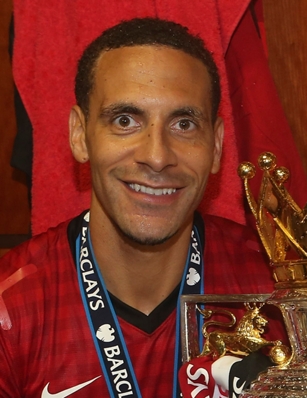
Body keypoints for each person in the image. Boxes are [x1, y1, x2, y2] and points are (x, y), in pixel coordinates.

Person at [0, 18, 279, 397]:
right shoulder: (10, 305)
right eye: (125, 120)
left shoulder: (279, 292)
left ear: (216, 147)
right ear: (79, 136)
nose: (157, 156)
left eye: (183, 124)